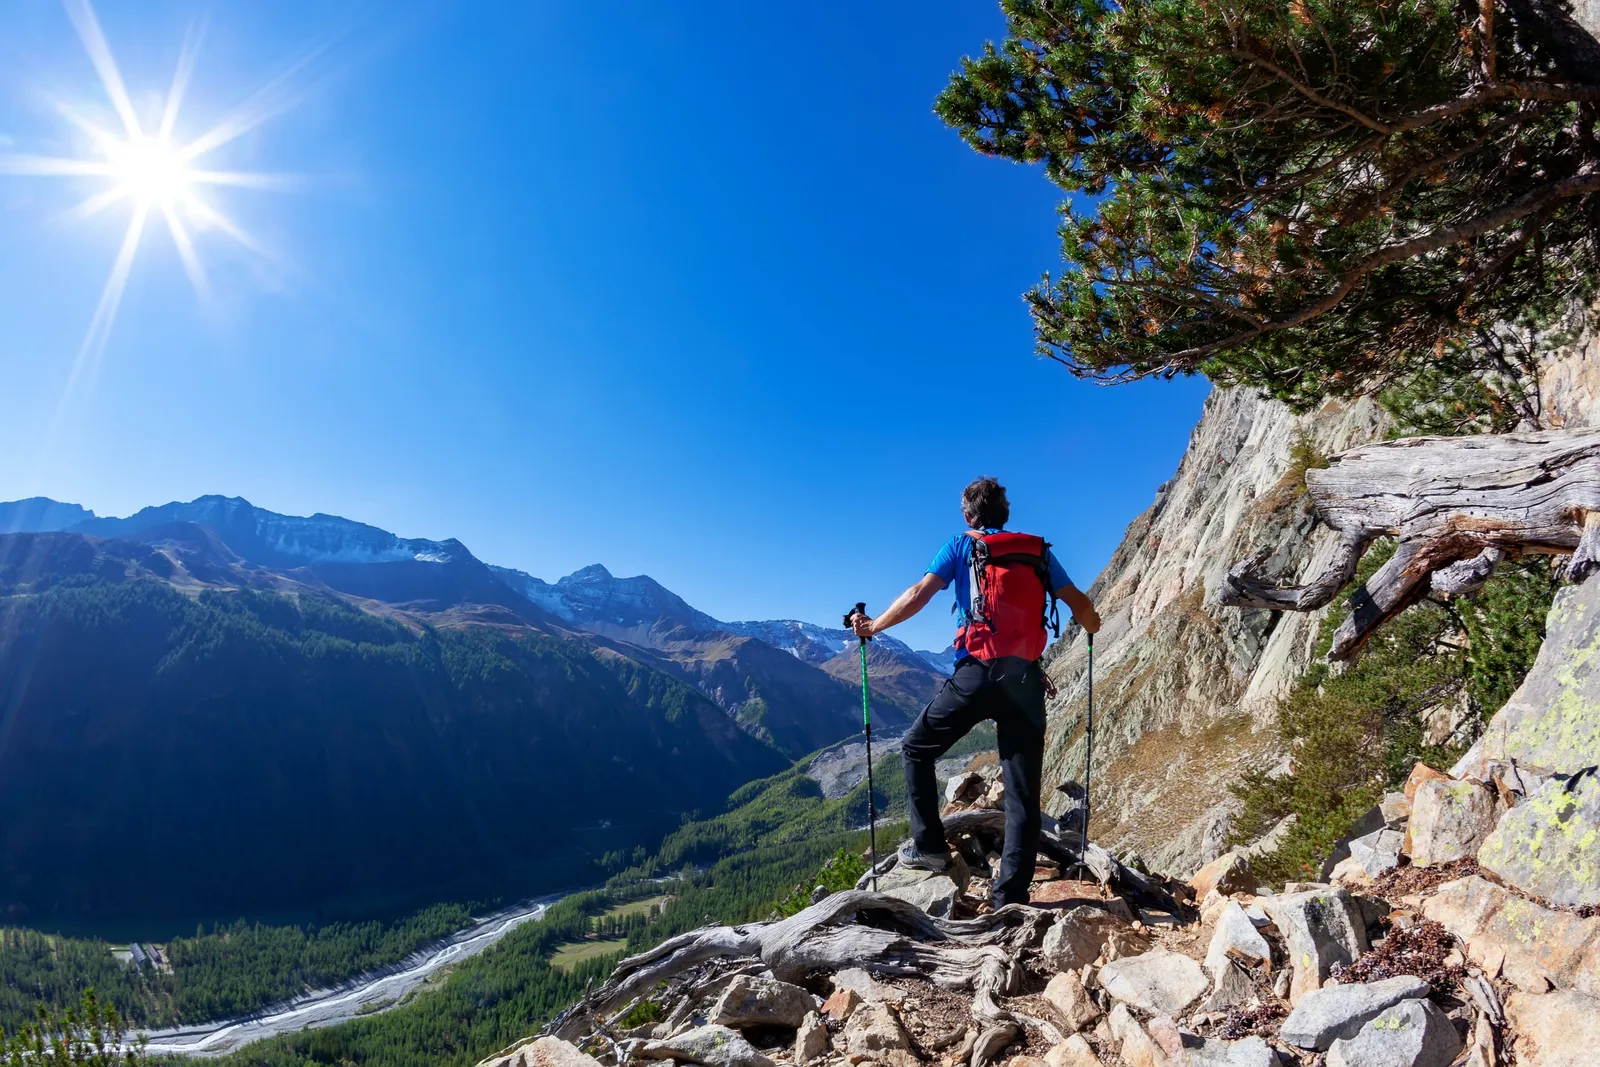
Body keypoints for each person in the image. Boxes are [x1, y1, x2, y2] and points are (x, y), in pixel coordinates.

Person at [849, 476, 1100, 908]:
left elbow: (917, 594)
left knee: (916, 748)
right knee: (1022, 792)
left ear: (968, 515)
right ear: (1005, 515)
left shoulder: (961, 545)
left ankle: (928, 848)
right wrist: (1093, 626)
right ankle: (1010, 898)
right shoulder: (1038, 552)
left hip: (976, 674)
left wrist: (873, 627)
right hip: (1024, 680)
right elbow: (1079, 605)